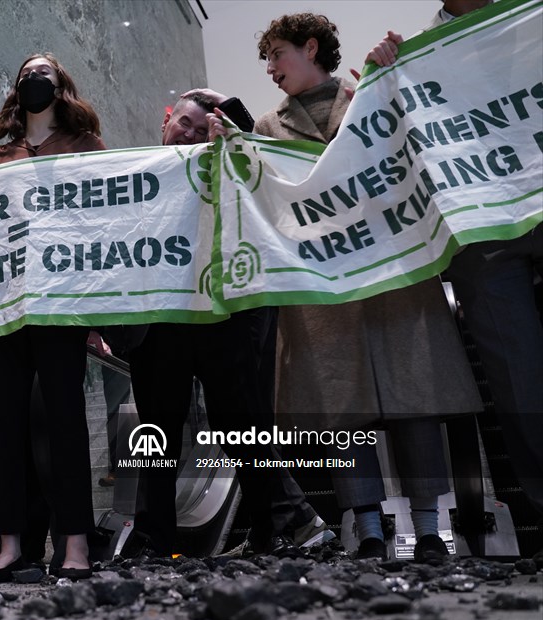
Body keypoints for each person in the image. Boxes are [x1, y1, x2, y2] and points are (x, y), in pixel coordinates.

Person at [214, 12, 482, 562]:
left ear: (311, 48)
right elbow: (257, 196)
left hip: (392, 274)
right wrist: (228, 150)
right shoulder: (264, 128)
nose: (270, 68)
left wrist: (396, 80)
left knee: (416, 402)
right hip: (324, 288)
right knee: (344, 416)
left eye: (277, 54)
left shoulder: (371, 95)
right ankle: (369, 528)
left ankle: (430, 530)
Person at [126, 89, 333, 559]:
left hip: (226, 316)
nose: (190, 134)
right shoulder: (132, 176)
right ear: (165, 122)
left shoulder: (234, 166)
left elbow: (264, 164)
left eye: (202, 129)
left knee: (239, 423)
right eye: (184, 123)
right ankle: (153, 540)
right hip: (160, 320)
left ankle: (276, 525)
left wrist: (229, 110)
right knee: (155, 431)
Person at [365, 0, 542, 530]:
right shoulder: (411, 57)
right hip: (481, 240)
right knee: (520, 386)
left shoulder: (530, 19)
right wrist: (380, 81)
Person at [0, 53, 104, 582]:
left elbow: (103, 222)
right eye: (25, 73)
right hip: (5, 305)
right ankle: (10, 545)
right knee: (2, 424)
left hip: (62, 302)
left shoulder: (85, 147)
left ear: (60, 85)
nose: (33, 78)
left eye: (43, 72)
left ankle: (75, 543)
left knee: (66, 422)